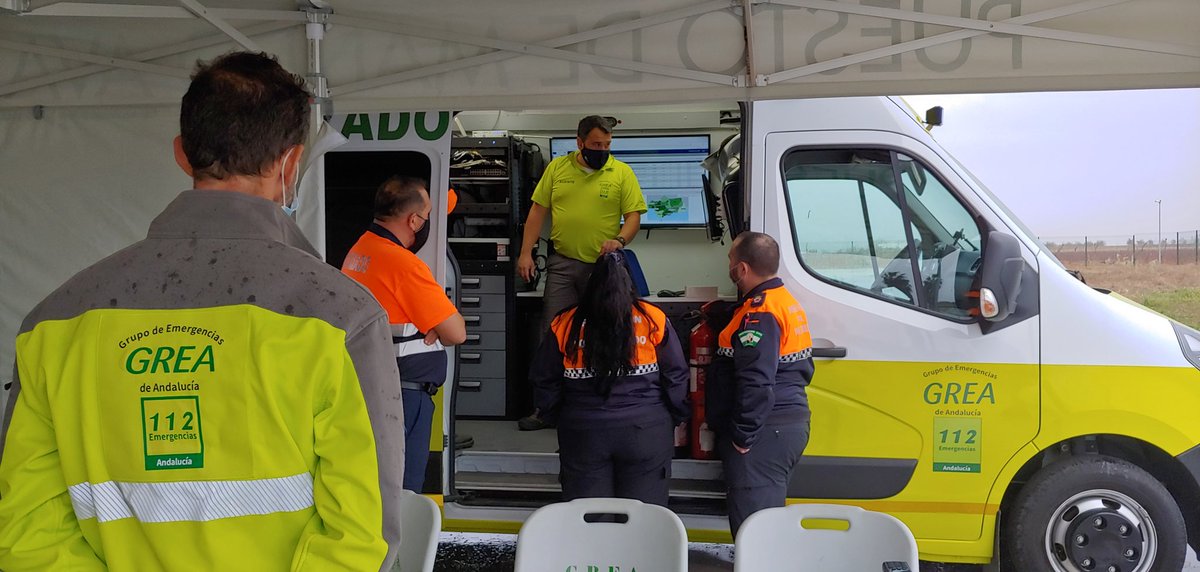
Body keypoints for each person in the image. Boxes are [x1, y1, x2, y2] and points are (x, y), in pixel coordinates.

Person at [0, 52, 404, 571]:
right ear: (291, 163)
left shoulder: (54, 321)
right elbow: (363, 534)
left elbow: (27, 532)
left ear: (182, 155)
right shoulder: (339, 316)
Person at [517, 115, 648, 430]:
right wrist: (525, 253)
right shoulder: (557, 169)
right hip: (562, 263)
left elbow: (633, 217)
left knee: (606, 331)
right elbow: (537, 211)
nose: (602, 150)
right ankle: (545, 408)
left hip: (604, 268)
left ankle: (605, 403)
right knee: (552, 335)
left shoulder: (621, 173)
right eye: (595, 145)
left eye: (606, 145)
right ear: (579, 143)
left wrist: (618, 240)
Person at [530, 252, 689, 505]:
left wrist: (559, 417)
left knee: (589, 517)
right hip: (645, 430)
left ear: (590, 285)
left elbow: (544, 378)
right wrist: (675, 416)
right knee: (644, 517)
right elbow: (676, 375)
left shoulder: (565, 322)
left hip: (583, 431)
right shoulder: (652, 319)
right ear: (629, 284)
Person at [342, 177, 467, 492]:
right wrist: (434, 326)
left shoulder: (360, 251)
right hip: (405, 398)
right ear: (413, 220)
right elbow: (456, 333)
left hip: (372, 387)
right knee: (403, 490)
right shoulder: (403, 264)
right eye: (425, 216)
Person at [706, 232, 815, 538]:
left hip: (762, 434)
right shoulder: (781, 301)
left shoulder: (760, 314)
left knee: (756, 536)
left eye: (730, 258)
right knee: (763, 528)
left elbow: (756, 380)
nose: (728, 264)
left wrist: (742, 435)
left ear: (741, 269)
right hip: (781, 426)